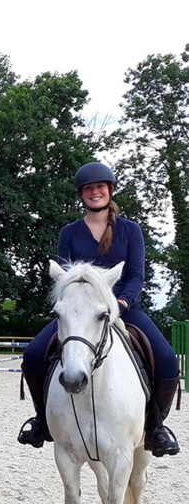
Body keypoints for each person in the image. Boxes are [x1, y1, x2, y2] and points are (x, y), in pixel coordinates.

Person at [18, 161, 180, 456]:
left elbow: (136, 275)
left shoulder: (130, 230)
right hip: (80, 314)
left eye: (100, 187)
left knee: (168, 360)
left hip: (124, 309)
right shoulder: (69, 232)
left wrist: (122, 301)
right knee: (32, 356)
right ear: (82, 195)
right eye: (89, 189)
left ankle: (155, 427)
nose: (95, 192)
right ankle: (42, 421)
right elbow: (65, 277)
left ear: (109, 190)